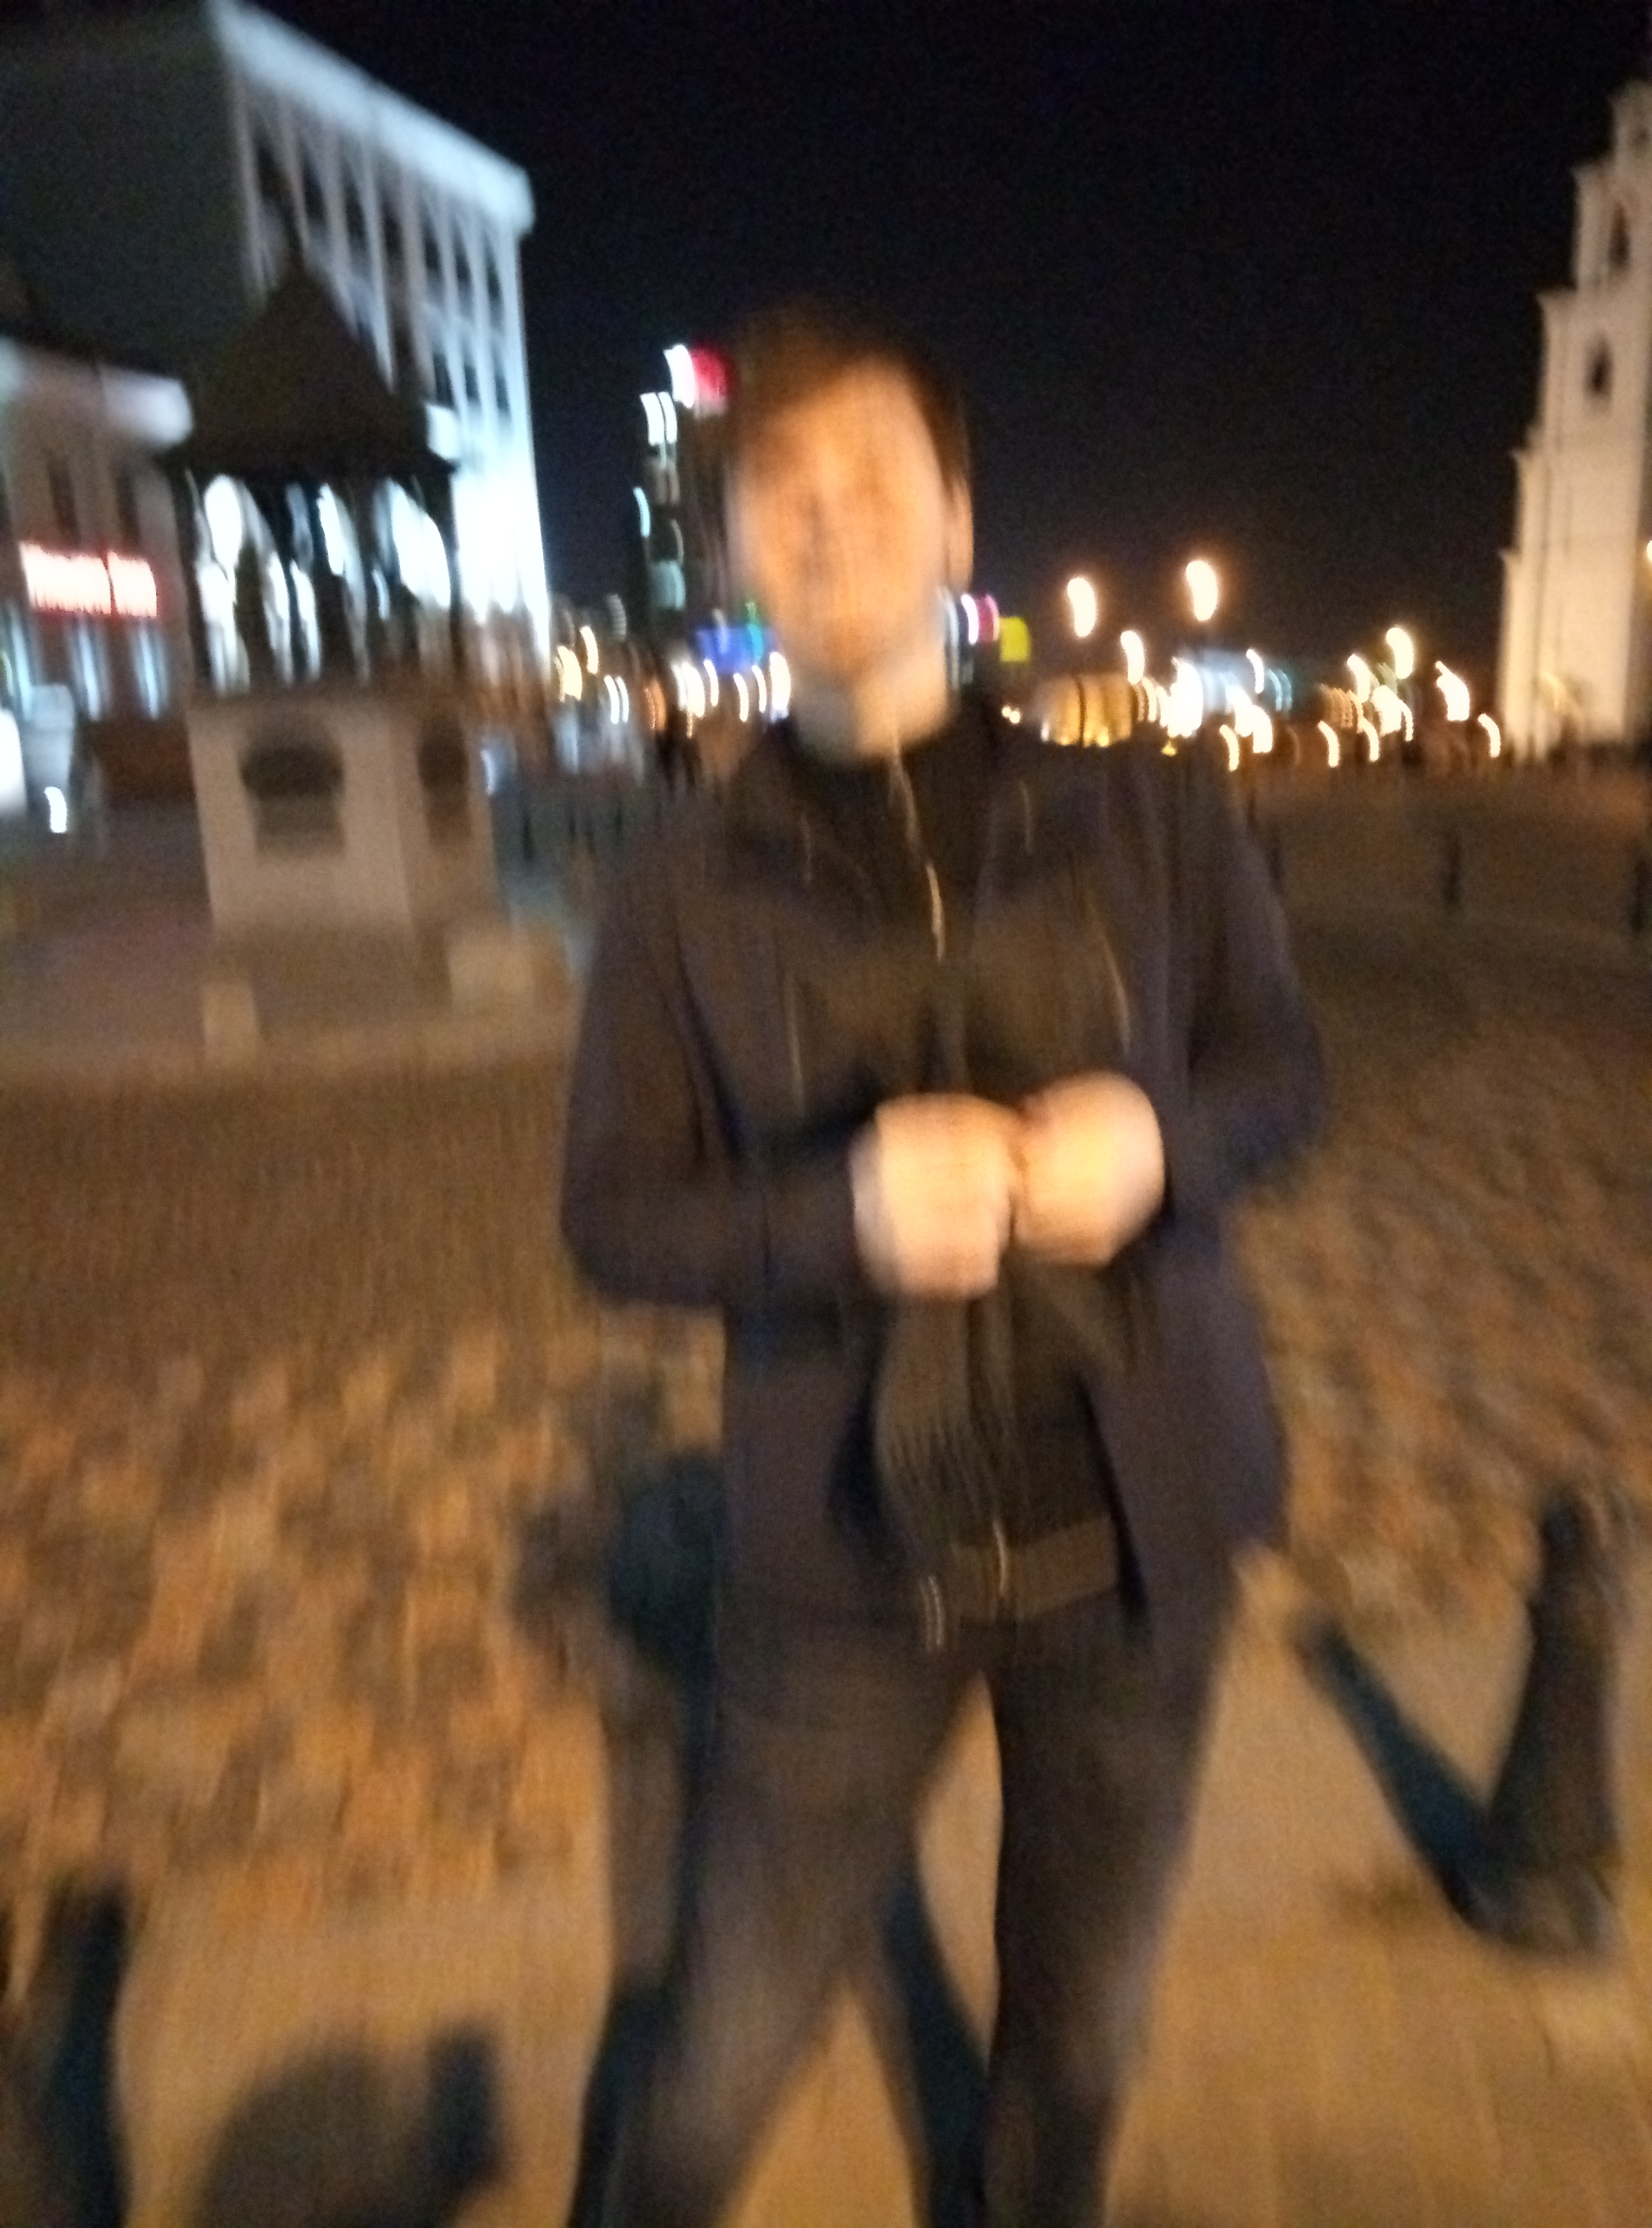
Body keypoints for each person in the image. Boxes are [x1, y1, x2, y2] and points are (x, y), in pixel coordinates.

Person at [560, 303, 1326, 2228]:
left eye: (873, 472)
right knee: (724, 2046)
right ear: (732, 545)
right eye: (779, 486)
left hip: (1138, 1538)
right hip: (844, 1560)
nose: (827, 515)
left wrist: (1162, 1144)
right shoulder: (679, 886)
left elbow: (1281, 1075)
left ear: (962, 519)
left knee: (1079, 2046)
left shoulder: (1153, 809)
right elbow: (617, 1215)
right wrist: (841, 1219)